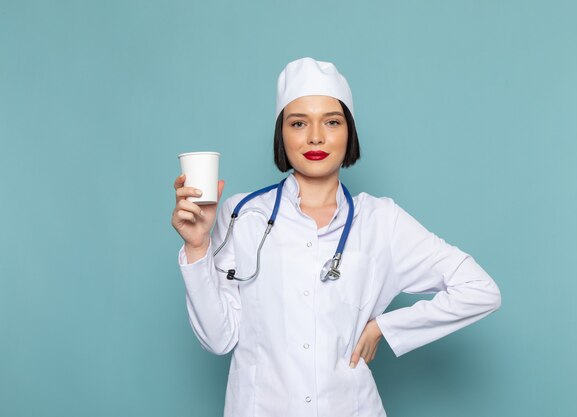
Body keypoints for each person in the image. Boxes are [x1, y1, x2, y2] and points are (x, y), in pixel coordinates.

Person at [170, 57, 501, 417]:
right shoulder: (243, 216)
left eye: (332, 121)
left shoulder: (381, 221)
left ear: (349, 132)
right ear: (282, 133)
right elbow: (218, 340)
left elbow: (479, 290)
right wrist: (197, 246)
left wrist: (385, 327)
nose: (315, 136)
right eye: (299, 123)